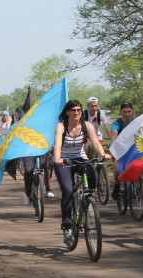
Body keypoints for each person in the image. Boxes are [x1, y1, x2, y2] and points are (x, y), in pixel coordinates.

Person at [53, 100, 111, 246]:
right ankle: (67, 227)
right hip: (64, 160)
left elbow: (96, 142)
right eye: (73, 110)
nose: (77, 112)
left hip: (80, 158)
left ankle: (88, 201)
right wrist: (58, 158)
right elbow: (58, 143)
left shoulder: (87, 125)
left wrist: (103, 154)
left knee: (93, 175)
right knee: (67, 191)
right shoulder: (61, 126)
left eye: (79, 109)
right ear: (67, 112)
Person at [110, 102, 135, 200]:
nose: (127, 114)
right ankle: (117, 186)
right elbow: (113, 136)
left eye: (129, 112)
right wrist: (114, 145)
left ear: (132, 112)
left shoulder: (135, 121)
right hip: (119, 149)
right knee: (117, 168)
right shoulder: (117, 123)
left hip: (132, 148)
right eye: (125, 112)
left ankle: (134, 187)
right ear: (121, 112)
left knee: (137, 166)